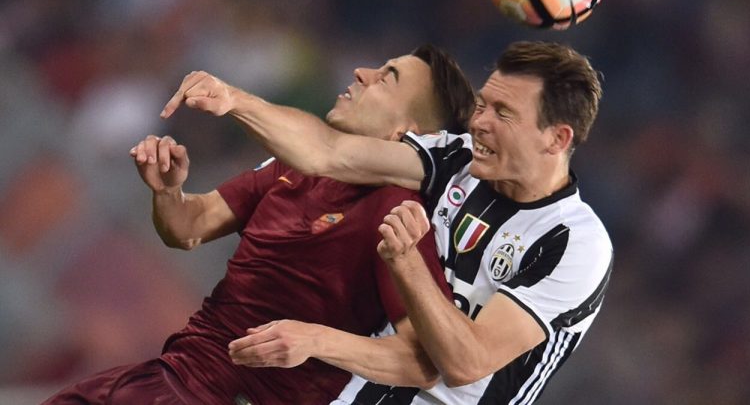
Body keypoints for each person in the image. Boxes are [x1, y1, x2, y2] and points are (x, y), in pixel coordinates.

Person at [168, 41, 613, 404]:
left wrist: (406, 262)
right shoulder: (455, 158)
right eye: (482, 105)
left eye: (504, 114)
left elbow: (466, 362)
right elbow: (329, 152)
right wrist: (235, 100)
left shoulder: (573, 243)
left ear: (557, 138)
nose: (479, 123)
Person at [42, 44, 477, 405]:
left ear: (406, 135)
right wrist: (169, 191)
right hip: (170, 374)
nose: (362, 73)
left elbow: (423, 361)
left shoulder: (398, 213)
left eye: (387, 78)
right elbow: (188, 228)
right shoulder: (296, 167)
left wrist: (316, 340)